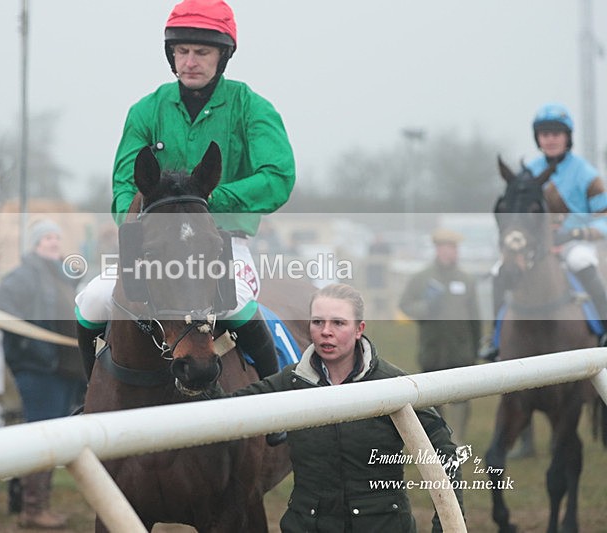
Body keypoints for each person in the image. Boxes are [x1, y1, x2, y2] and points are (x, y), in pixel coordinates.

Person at [75, 0, 296, 387]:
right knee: (90, 301)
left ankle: (274, 402)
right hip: (152, 244)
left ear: (222, 56)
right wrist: (144, 224)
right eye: (182, 51)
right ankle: (88, 392)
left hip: (223, 242)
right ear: (171, 54)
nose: (190, 60)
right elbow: (124, 185)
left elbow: (278, 176)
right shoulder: (146, 110)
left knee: (239, 304)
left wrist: (205, 205)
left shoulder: (252, 108)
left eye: (202, 52)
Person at [206, 283, 463, 532]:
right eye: (318, 322)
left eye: (338, 323)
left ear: (359, 329)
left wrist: (447, 526)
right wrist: (203, 368)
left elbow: (445, 451)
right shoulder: (290, 381)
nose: (325, 331)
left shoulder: (393, 385)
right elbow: (226, 408)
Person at [480, 102, 607, 361]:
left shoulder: (587, 175)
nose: (550, 139)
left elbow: (604, 219)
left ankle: (604, 331)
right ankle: (494, 339)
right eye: (544, 134)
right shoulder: (530, 173)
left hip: (574, 242)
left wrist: (575, 235)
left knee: (582, 261)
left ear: (567, 137)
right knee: (498, 271)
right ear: (538, 138)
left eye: (556, 133)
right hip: (536, 246)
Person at [0, 219, 86, 530]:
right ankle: (32, 509)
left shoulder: (59, 273)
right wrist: (32, 347)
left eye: (56, 237)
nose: (53, 242)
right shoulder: (24, 274)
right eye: (46, 238)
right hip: (39, 369)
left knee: (53, 437)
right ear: (35, 244)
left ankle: (39, 504)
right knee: (42, 437)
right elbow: (0, 308)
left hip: (62, 368)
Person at [398, 228, 480, 442]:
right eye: (446, 248)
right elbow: (405, 305)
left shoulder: (466, 279)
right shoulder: (421, 278)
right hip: (433, 349)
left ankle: (458, 440)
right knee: (433, 399)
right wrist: (425, 307)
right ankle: (439, 439)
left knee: (461, 398)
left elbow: (475, 318)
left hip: (460, 350)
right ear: (437, 249)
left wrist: (476, 349)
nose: (450, 252)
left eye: (453, 248)